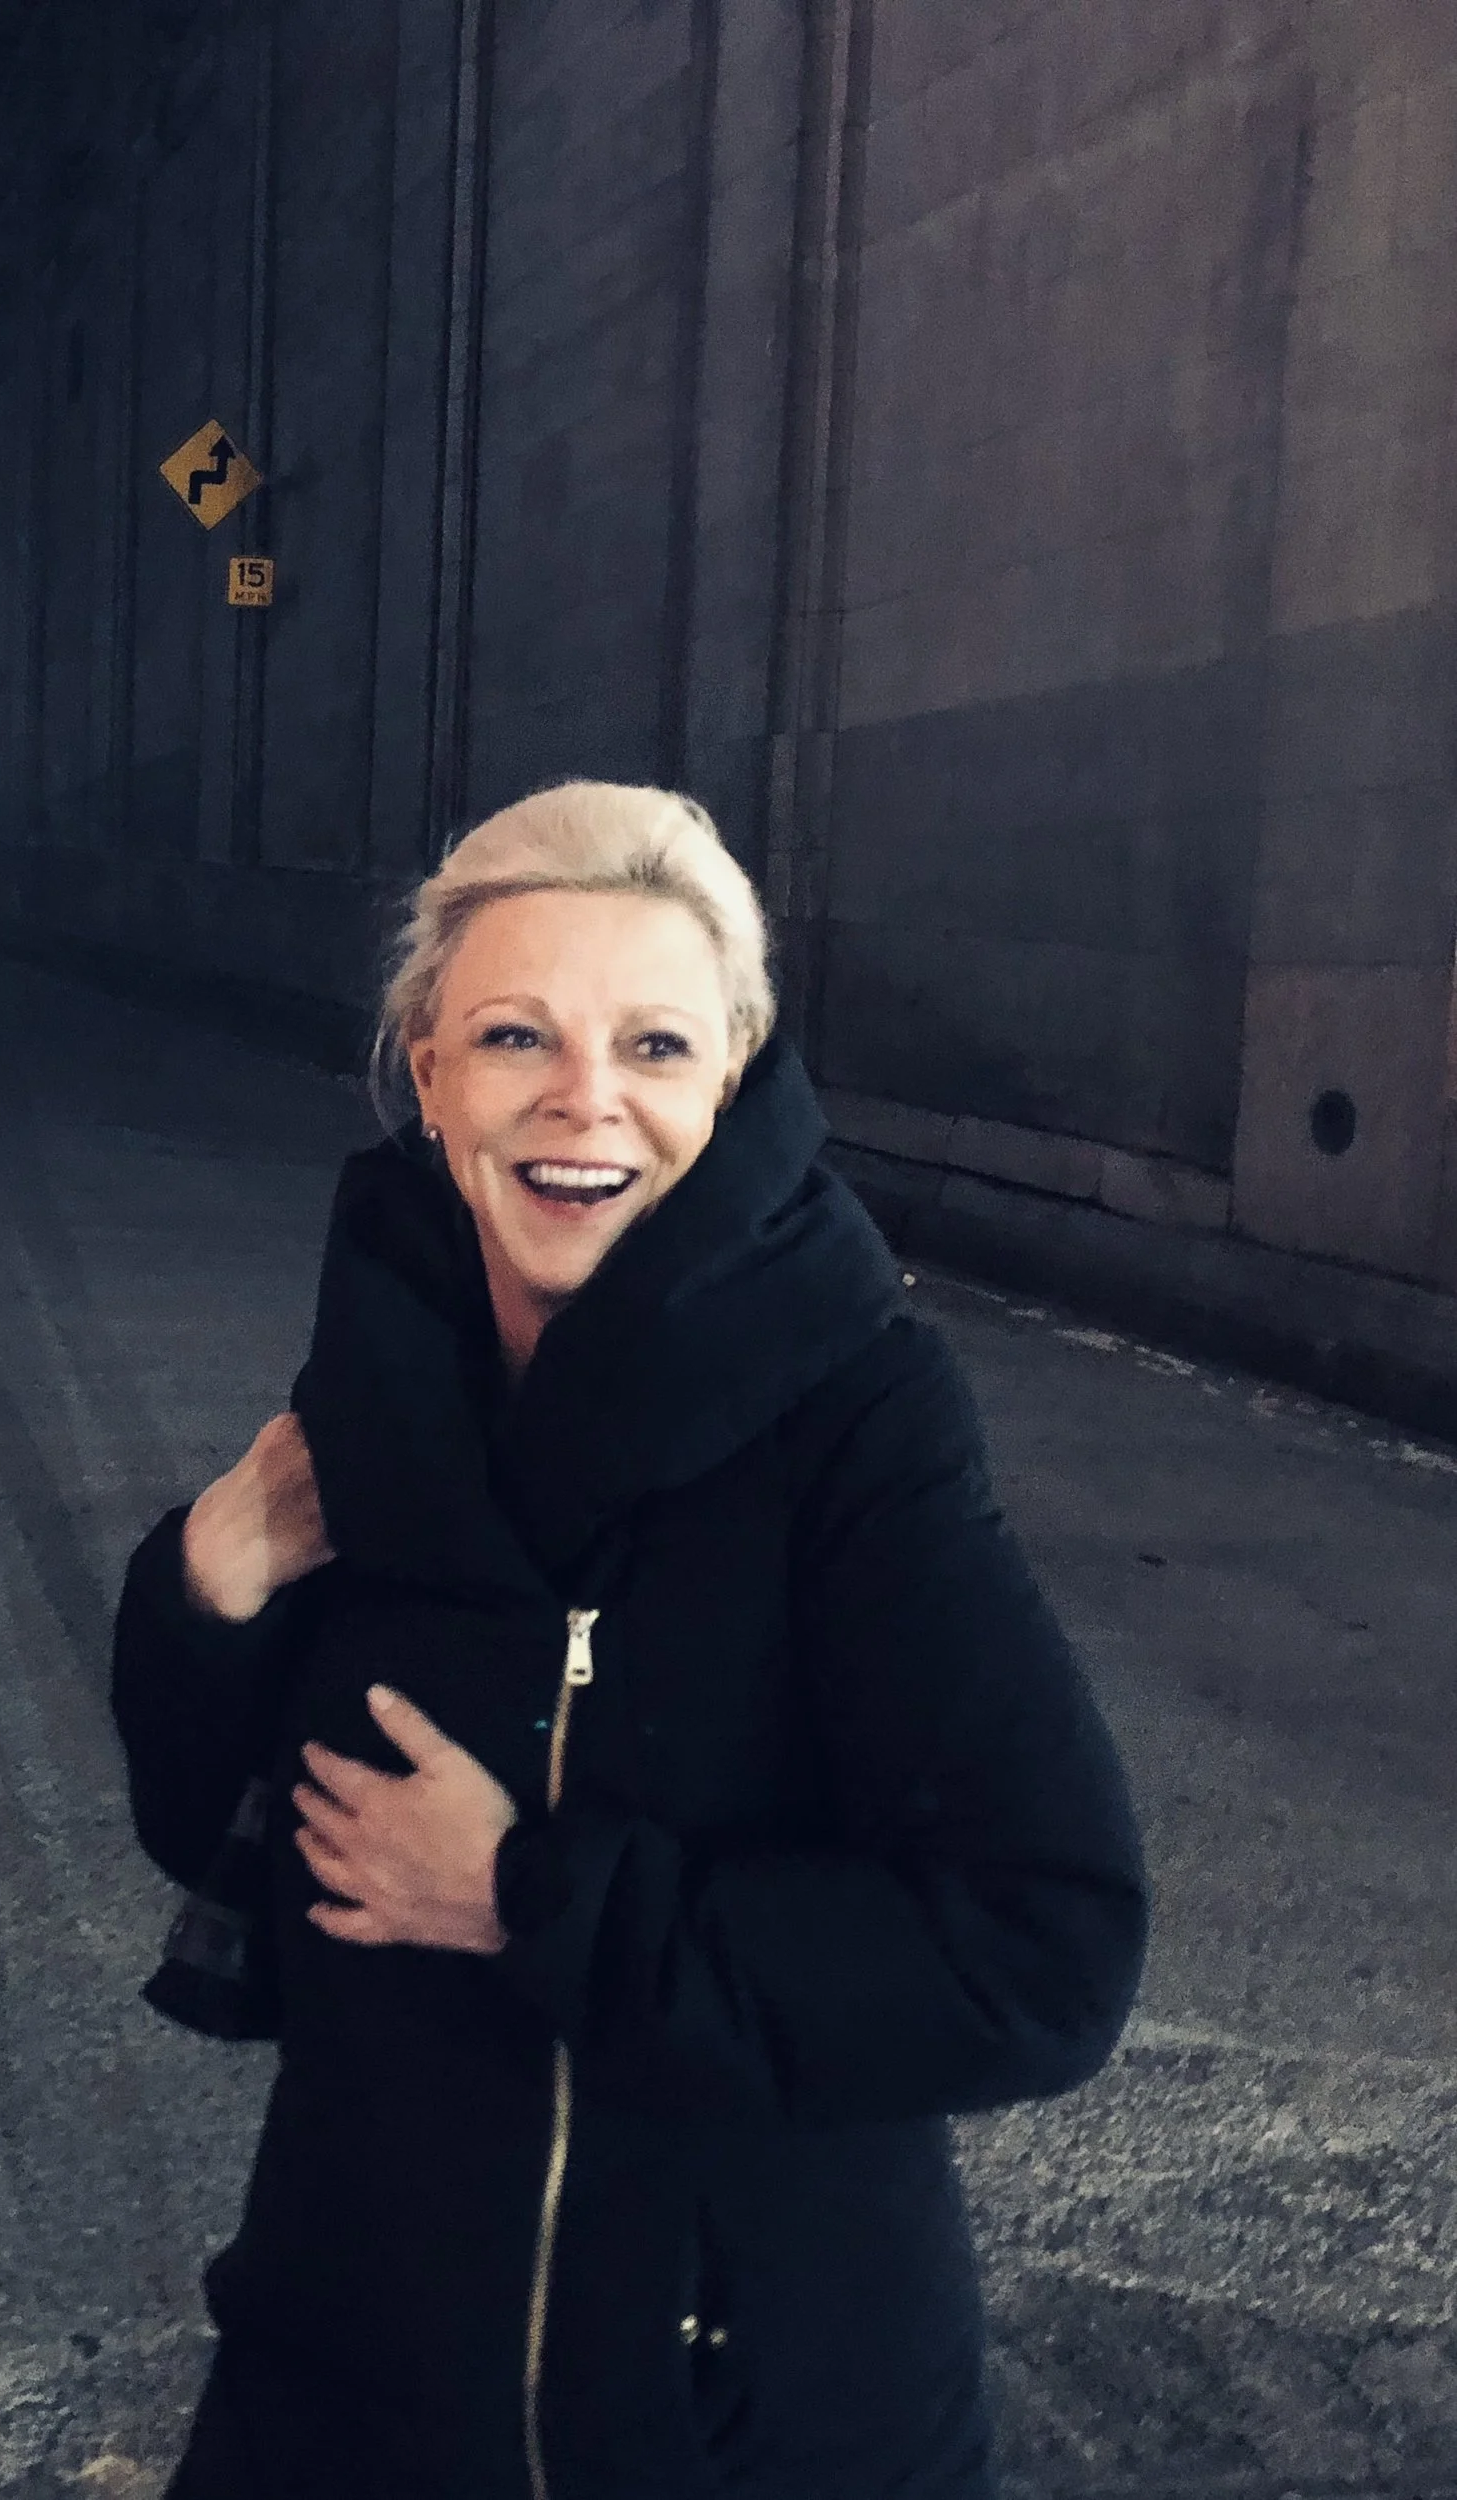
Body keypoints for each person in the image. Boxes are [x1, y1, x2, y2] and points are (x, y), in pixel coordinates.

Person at [111, 783, 1149, 2500]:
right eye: (518, 1034)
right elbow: (241, 1843)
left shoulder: (853, 1420)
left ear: (730, 1080)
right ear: (429, 1072)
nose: (585, 1099)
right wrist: (206, 1585)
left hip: (747, 2430)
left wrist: (529, 1893)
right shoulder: (382, 1385)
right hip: (348, 2397)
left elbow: (1043, 1947)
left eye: (655, 1046)